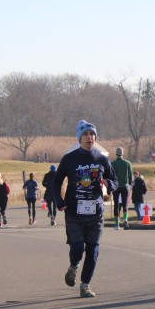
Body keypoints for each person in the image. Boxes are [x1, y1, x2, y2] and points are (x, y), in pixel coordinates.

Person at [52, 120, 118, 299]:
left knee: (93, 249)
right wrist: (59, 201)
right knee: (77, 248)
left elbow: (115, 181)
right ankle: (74, 265)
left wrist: (109, 183)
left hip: (96, 213)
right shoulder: (69, 159)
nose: (90, 137)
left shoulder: (101, 159)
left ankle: (85, 285)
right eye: (86, 134)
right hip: (74, 212)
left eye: (92, 134)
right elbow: (56, 182)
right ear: (80, 138)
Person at [110, 147, 133, 230]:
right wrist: (130, 183)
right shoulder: (127, 163)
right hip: (125, 186)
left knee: (116, 205)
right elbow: (130, 175)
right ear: (122, 153)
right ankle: (125, 219)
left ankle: (117, 224)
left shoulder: (112, 164)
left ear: (116, 154)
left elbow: (110, 175)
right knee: (125, 204)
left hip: (116, 186)